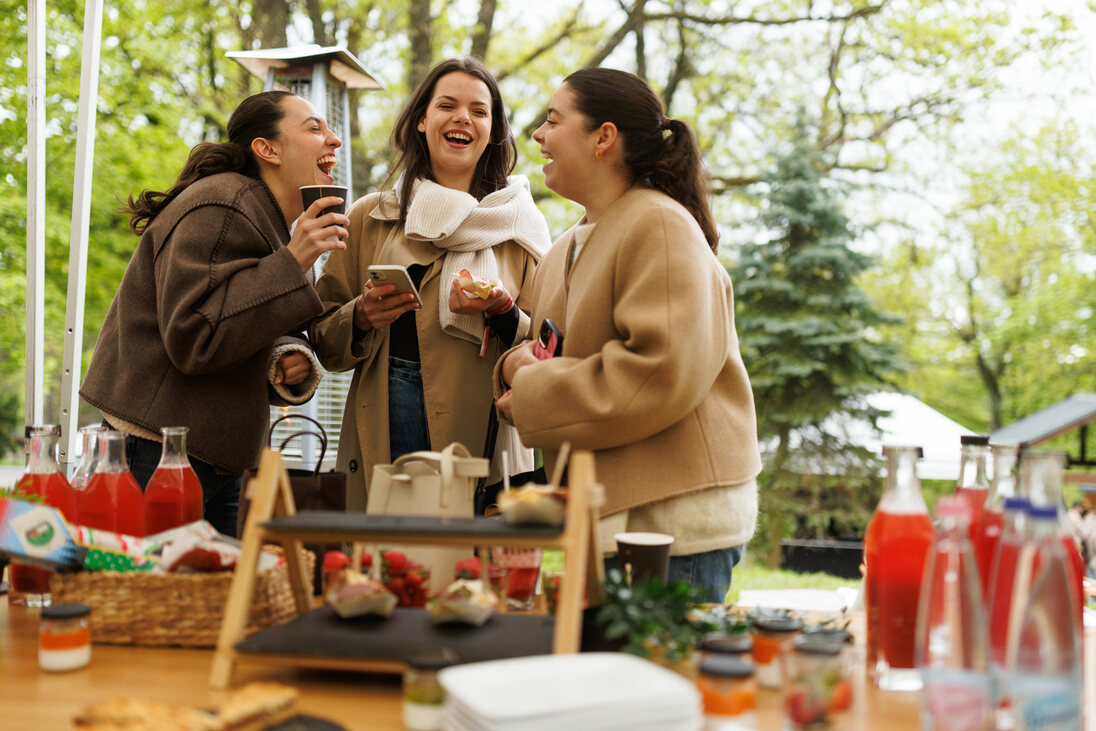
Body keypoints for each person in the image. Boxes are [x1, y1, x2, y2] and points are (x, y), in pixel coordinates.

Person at [494, 68, 762, 602]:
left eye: (552, 120)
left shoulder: (659, 224)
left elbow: (657, 371)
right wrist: (512, 362)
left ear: (603, 137)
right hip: (609, 522)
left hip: (671, 529)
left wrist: (529, 388)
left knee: (655, 684)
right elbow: (551, 352)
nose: (537, 136)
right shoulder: (563, 249)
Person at [81, 90, 349, 536]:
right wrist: (295, 260)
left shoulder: (262, 215)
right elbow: (193, 338)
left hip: (210, 459)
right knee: (163, 602)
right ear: (267, 149)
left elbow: (236, 315)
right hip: (161, 455)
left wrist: (282, 356)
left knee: (211, 602)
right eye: (315, 127)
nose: (334, 140)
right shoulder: (222, 203)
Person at [309, 57, 551, 511]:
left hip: (487, 429)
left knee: (474, 575)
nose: (463, 118)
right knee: (395, 566)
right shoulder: (370, 216)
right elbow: (323, 339)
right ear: (422, 119)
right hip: (388, 414)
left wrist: (502, 311)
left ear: (493, 129)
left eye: (480, 111)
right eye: (447, 105)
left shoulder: (522, 225)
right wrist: (360, 317)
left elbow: (550, 347)